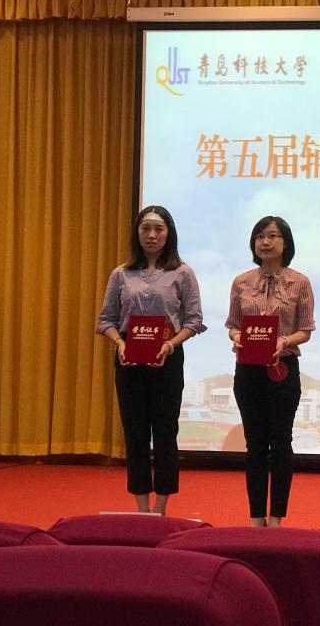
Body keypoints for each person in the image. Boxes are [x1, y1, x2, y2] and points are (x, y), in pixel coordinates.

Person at [97, 205, 205, 515]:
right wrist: (119, 344)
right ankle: (142, 508)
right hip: (129, 360)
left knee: (165, 432)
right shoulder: (121, 273)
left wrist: (170, 344)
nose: (152, 235)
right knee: (135, 434)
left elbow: (194, 320)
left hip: (166, 358)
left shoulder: (182, 273)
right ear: (137, 233)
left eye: (158, 229)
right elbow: (106, 320)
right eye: (145, 228)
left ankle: (161, 506)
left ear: (169, 234)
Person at [227, 216, 314, 527]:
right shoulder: (241, 281)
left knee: (280, 443)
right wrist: (237, 336)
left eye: (273, 236)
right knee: (254, 445)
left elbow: (306, 330)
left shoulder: (300, 282)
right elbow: (232, 325)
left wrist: (284, 341)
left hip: (283, 369)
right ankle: (256, 517)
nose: (265, 241)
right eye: (260, 236)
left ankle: (276, 517)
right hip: (247, 371)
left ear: (285, 242)